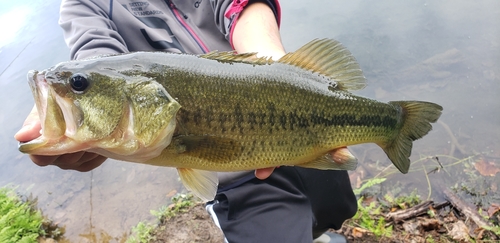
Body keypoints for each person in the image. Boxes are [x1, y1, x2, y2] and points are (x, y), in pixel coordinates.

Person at [15, 0, 357, 242]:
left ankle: (318, 232)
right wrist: (85, 102)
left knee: (334, 207)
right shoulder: (83, 4)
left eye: (77, 86)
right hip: (233, 181)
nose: (75, 88)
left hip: (300, 128)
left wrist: (282, 71)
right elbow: (98, 58)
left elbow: (240, 6)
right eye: (78, 86)